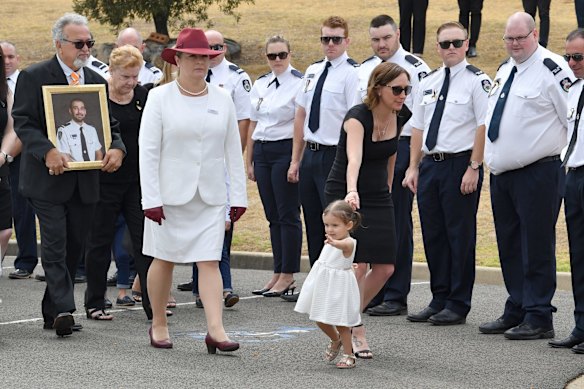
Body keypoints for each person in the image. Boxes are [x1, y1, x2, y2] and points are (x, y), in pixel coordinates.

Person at [11, 12, 125, 337]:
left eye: (89, 42)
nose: (86, 48)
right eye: (79, 43)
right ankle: (64, 308)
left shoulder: (96, 80)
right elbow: (23, 122)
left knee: (75, 246)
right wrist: (47, 150)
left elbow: (109, 127)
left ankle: (52, 310)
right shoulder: (33, 76)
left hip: (85, 180)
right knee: (55, 243)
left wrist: (117, 148)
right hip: (46, 180)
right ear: (59, 43)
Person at [139, 28, 247, 351]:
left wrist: (238, 198)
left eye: (205, 57)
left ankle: (216, 329)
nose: (200, 62)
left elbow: (232, 150)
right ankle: (159, 322)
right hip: (169, 197)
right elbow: (148, 151)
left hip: (211, 197)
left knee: (209, 260)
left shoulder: (223, 98)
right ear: (178, 60)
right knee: (163, 259)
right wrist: (151, 199)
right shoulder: (159, 98)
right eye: (193, 57)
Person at [479, 12, 573, 340]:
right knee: (508, 243)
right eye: (509, 38)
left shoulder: (553, 69)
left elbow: (572, 118)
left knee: (536, 243)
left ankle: (539, 315)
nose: (515, 44)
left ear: (535, 35)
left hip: (539, 172)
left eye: (521, 37)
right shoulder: (506, 70)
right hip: (503, 174)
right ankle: (517, 305)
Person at [402, 21, 491, 326]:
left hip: (460, 164)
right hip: (431, 166)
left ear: (467, 44)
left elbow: (483, 125)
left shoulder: (477, 81)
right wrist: (413, 166)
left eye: (456, 43)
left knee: (459, 235)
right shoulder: (429, 81)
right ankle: (439, 297)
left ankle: (457, 302)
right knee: (434, 234)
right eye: (444, 44)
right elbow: (417, 126)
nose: (450, 49)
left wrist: (474, 166)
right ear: (437, 47)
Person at [324, 62, 410, 358]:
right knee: (358, 264)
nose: (402, 95)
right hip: (346, 189)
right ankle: (355, 330)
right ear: (378, 88)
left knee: (386, 266)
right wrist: (351, 191)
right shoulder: (357, 117)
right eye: (397, 89)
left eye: (406, 89)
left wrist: (387, 185)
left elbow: (392, 152)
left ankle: (348, 318)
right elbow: (354, 159)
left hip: (378, 192)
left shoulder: (401, 114)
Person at [358, 15, 430, 317]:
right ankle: (374, 292)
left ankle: (397, 293)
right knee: (370, 222)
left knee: (397, 220)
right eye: (375, 39)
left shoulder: (417, 68)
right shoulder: (362, 68)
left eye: (386, 38)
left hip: (400, 147)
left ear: (397, 34)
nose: (381, 44)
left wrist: (414, 159)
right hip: (369, 149)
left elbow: (423, 115)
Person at [285, 16, 360, 302]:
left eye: (336, 39)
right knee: (315, 222)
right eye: (326, 39)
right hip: (311, 154)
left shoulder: (353, 73)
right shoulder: (313, 71)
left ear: (347, 41)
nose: (330, 44)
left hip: (334, 155)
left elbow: (354, 120)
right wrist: (295, 159)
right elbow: (301, 116)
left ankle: (336, 289)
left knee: (337, 224)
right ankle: (317, 284)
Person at [177, 29, 251, 301]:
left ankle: (222, 288)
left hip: (217, 165)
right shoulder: (173, 90)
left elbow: (242, 121)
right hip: (187, 171)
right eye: (204, 50)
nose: (207, 57)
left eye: (216, 48)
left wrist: (233, 157)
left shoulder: (234, 78)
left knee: (220, 232)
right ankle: (200, 286)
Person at [83, 44, 152, 320]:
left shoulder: (144, 95)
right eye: (125, 76)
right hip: (105, 179)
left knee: (145, 243)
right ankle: (95, 302)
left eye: (135, 76)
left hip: (137, 181)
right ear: (111, 71)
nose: (131, 82)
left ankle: (152, 303)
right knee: (99, 242)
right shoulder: (97, 96)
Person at [246, 36, 303, 297]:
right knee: (272, 216)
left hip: (285, 149)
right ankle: (277, 271)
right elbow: (253, 124)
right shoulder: (260, 84)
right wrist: (249, 159)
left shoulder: (300, 83)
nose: (277, 60)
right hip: (264, 150)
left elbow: (298, 125)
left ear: (290, 54)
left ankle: (289, 274)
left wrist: (295, 160)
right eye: (272, 56)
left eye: (282, 54)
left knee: (287, 214)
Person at [548, 29, 584, 353]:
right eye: (568, 57)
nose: (571, 63)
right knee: (578, 255)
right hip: (572, 175)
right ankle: (581, 325)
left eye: (578, 57)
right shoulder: (572, 89)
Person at [294, 200, 362, 369]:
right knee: (319, 317)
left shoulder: (347, 242)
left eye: (335, 225)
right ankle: (335, 339)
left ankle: (349, 355)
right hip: (324, 283)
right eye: (327, 225)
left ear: (348, 225)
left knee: (341, 322)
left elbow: (344, 246)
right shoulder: (332, 239)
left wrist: (335, 243)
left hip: (338, 286)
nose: (330, 230)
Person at [1, 41, 39, 281]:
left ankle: (25, 261)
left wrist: (7, 153)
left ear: (19, 58)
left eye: (11, 56)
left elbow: (24, 123)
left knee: (22, 209)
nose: (6, 61)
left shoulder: (27, 82)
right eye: (2, 57)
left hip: (20, 155)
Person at [0, 45, 22, 277]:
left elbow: (11, 128)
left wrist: (4, 155)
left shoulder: (5, 91)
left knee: (5, 231)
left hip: (1, 166)